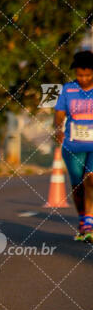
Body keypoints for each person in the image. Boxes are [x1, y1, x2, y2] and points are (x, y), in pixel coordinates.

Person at [54, 50, 93, 241]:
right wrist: (58, 128)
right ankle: (82, 220)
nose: (83, 78)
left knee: (91, 178)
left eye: (87, 75)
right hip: (73, 145)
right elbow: (60, 112)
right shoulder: (68, 89)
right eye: (80, 74)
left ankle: (89, 221)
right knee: (78, 186)